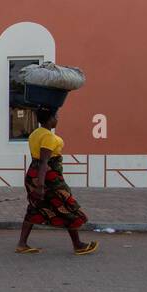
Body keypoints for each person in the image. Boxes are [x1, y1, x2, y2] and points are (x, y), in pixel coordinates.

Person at [16, 106, 98, 255]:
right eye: (56, 117)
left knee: (35, 207)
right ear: (49, 119)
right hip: (48, 178)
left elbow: (38, 162)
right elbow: (43, 162)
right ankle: (78, 245)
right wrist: (41, 185)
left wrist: (38, 183)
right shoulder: (48, 137)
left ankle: (22, 244)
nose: (57, 120)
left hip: (33, 174)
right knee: (67, 205)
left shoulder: (35, 133)